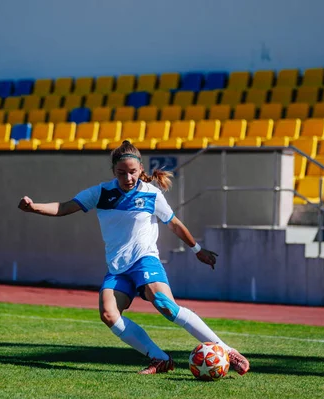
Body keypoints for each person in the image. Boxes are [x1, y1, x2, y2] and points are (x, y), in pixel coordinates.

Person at [18, 140, 250, 376]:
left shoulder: (152, 194)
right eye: (122, 173)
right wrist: (33, 207)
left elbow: (175, 224)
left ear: (141, 170)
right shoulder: (101, 193)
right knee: (109, 314)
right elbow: (65, 207)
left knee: (166, 305)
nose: (128, 178)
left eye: (132, 172)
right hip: (118, 269)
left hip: (144, 261)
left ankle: (227, 350)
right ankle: (159, 358)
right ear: (113, 172)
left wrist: (197, 249)